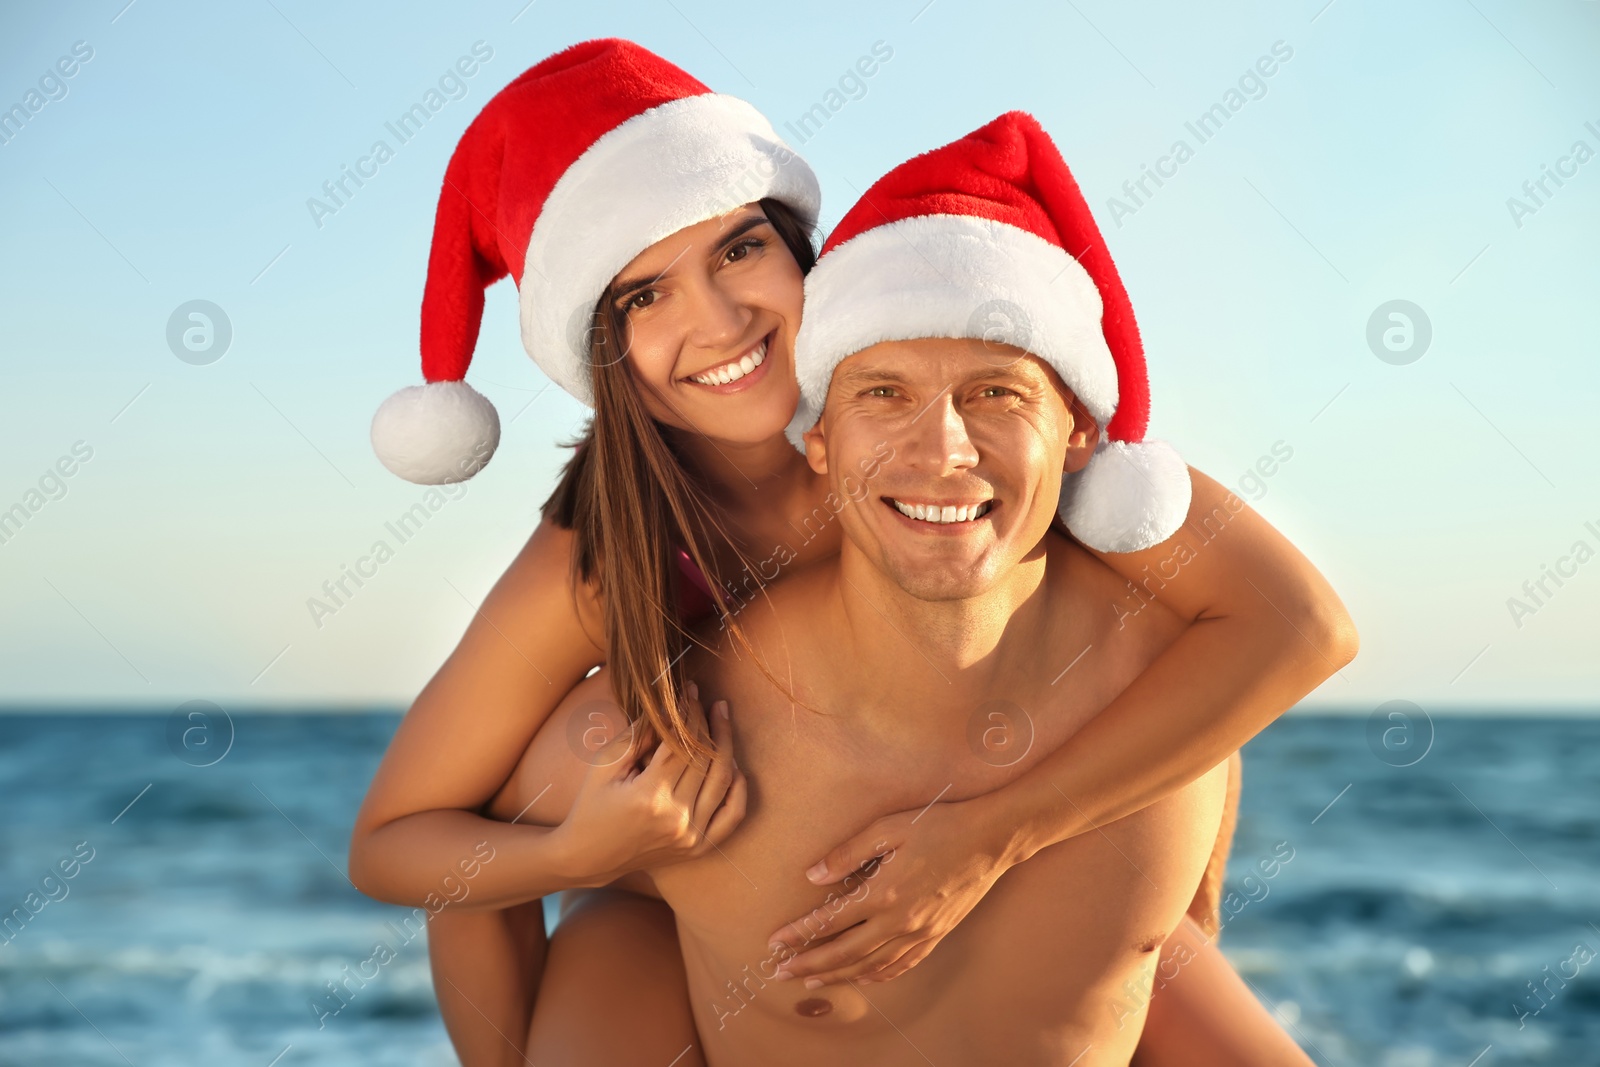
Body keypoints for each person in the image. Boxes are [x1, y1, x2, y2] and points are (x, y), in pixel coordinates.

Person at [348, 41, 1355, 1066]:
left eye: (739, 250)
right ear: (600, 353)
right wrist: (578, 852)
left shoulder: (942, 399)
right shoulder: (615, 553)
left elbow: (1284, 631)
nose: (719, 317)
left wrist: (1089, 872)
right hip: (695, 870)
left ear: (799, 246)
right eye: (641, 297)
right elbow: (412, 830)